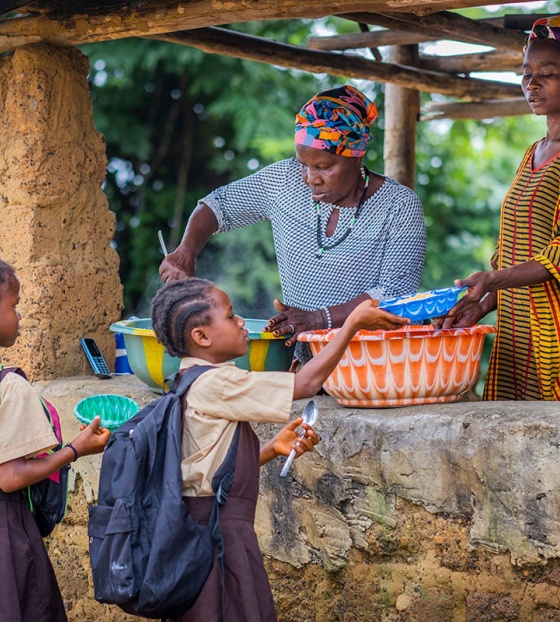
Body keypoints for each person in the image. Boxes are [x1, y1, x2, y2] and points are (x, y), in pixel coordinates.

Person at [151, 276, 409, 622]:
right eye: (230, 317)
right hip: (214, 535)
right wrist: (351, 326)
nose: (242, 323)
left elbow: (209, 472)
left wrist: (272, 448)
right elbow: (307, 382)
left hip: (209, 529)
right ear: (201, 336)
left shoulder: (188, 380)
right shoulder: (214, 382)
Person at [159, 84, 426, 363]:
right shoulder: (283, 181)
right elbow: (217, 206)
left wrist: (318, 318)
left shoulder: (399, 205)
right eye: (303, 164)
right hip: (309, 363)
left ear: (356, 155)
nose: (310, 177)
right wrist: (186, 251)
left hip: (376, 363)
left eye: (323, 166)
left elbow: (396, 295)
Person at [435, 16, 560, 401]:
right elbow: (515, 246)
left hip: (553, 336)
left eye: (548, 73)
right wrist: (484, 302)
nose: (531, 83)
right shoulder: (532, 154)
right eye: (526, 73)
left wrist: (493, 281)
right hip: (516, 337)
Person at [0, 260, 111, 621]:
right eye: (14, 305)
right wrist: (77, 449)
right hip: (7, 535)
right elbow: (11, 476)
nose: (19, 317)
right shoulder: (11, 387)